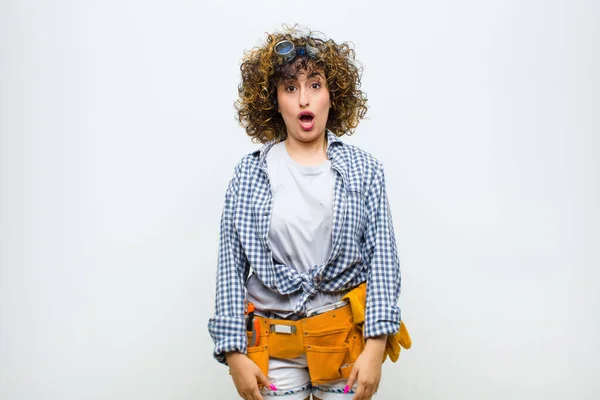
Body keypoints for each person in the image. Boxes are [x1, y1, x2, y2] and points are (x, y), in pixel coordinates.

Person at [208, 26, 404, 400]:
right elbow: (229, 267)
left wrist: (376, 347)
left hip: (343, 343)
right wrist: (234, 353)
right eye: (290, 88)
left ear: (334, 95)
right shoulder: (249, 174)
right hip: (272, 347)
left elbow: (383, 261)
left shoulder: (365, 171)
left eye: (315, 85)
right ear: (274, 100)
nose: (304, 100)